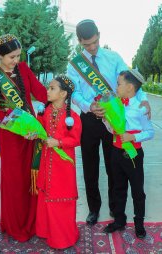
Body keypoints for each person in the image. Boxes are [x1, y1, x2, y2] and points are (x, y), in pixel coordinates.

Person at [67, 19, 151, 225]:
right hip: (89, 119)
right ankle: (93, 209)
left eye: (95, 42)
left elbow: (132, 80)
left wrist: (145, 100)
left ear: (99, 35)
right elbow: (75, 92)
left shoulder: (113, 58)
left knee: (114, 166)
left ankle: (116, 208)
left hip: (113, 119)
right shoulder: (75, 65)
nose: (93, 47)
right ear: (79, 42)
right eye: (87, 45)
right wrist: (88, 106)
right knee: (90, 166)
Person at [0, 34, 47, 242]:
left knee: (32, 178)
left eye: (18, 56)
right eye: (11, 57)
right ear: (0, 56)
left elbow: (40, 92)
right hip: (12, 135)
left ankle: (32, 223)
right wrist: (22, 129)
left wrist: (59, 97)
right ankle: (15, 225)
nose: (16, 60)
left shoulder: (24, 69)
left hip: (31, 134)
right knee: (14, 181)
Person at [103, 69, 154, 239]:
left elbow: (150, 132)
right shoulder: (115, 104)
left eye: (119, 84)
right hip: (116, 151)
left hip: (133, 154)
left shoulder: (140, 108)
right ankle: (119, 220)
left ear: (130, 87)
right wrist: (108, 122)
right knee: (118, 187)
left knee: (137, 190)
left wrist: (133, 136)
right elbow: (111, 129)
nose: (116, 86)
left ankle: (139, 224)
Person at [33, 75, 82, 249]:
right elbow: (39, 129)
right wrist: (32, 133)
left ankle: (63, 237)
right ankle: (47, 231)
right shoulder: (44, 111)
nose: (47, 91)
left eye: (52, 88)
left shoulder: (74, 117)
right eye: (48, 87)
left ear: (63, 94)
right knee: (46, 195)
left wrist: (59, 142)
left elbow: (76, 140)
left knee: (62, 198)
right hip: (47, 162)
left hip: (64, 167)